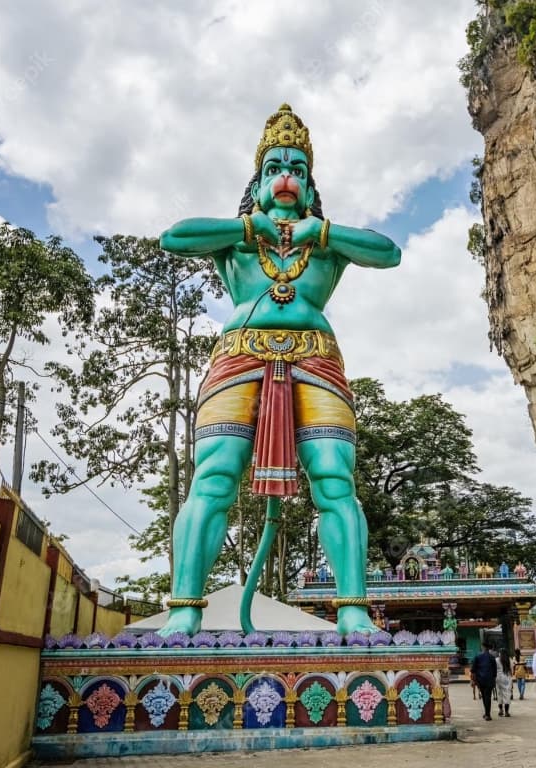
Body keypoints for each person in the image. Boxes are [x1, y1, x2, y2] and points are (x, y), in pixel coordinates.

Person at [157, 105, 401, 637]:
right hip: (240, 353)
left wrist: (325, 231)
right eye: (273, 168)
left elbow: (389, 253)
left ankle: (353, 608)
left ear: (311, 190)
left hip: (316, 356)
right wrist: (250, 225)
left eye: (297, 169)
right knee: (214, 476)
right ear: (258, 185)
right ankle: (184, 608)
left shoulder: (327, 243)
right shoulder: (239, 240)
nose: (286, 174)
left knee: (335, 479)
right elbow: (173, 238)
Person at [471, 643, 499, 720]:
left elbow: (473, 670)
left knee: (484, 696)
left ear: (482, 647)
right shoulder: (492, 657)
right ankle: (487, 714)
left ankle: (487, 714)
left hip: (481, 680)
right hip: (490, 680)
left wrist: (473, 680)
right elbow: (495, 672)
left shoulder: (477, 657)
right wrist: (493, 679)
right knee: (488, 697)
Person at [496, 649, 514, 716]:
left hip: (498, 678)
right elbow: (512, 670)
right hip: (507, 677)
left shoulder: (497, 660)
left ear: (500, 653)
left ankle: (500, 710)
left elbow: (494, 669)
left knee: (499, 694)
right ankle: (506, 712)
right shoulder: (509, 660)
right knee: (507, 694)